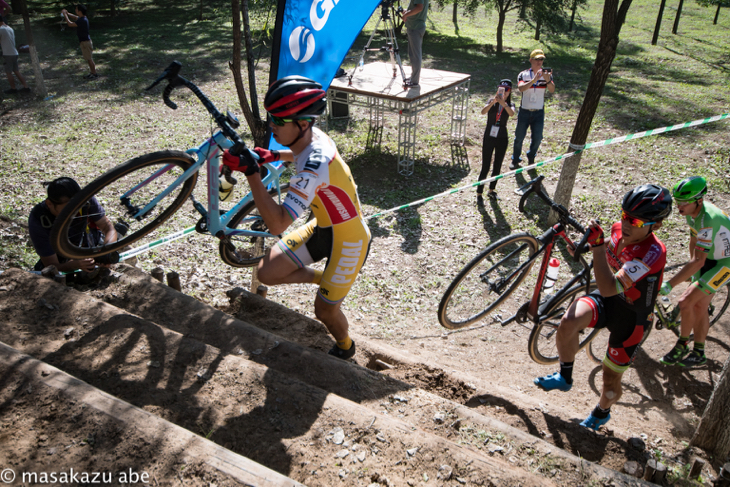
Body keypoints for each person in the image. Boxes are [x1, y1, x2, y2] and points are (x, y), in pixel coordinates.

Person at [222, 76, 372, 360]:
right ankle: (324, 279)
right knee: (266, 272)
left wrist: (253, 172)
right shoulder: (313, 137)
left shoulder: (314, 168)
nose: (272, 126)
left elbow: (278, 223)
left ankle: (346, 347)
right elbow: (300, 153)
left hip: (350, 239)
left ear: (303, 123)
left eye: (279, 120)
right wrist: (272, 155)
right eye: (271, 118)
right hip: (323, 227)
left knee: (324, 311)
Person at [534, 184, 671, 430]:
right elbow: (612, 241)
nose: (627, 224)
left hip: (632, 318)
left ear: (656, 225)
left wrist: (596, 249)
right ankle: (565, 376)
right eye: (625, 216)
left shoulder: (653, 253)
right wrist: (586, 247)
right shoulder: (621, 229)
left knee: (610, 380)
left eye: (637, 222)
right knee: (568, 322)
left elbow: (609, 286)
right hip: (609, 301)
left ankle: (602, 412)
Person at [659, 176, 730, 367]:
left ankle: (682, 345)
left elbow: (699, 261)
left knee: (685, 302)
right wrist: (692, 271)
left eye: (684, 202)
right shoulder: (694, 214)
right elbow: (694, 242)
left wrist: (670, 284)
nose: (679, 206)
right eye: (677, 201)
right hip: (710, 258)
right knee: (698, 306)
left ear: (699, 200)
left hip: (725, 264)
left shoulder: (708, 220)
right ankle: (699, 352)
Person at [29, 177, 117, 273]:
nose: (73, 213)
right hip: (61, 256)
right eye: (66, 209)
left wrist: (106, 252)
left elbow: (108, 228)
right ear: (49, 203)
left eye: (77, 208)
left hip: (88, 242)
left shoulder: (85, 201)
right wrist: (74, 265)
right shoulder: (39, 220)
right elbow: (51, 265)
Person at [509, 49, 555, 170]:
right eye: (537, 59)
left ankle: (531, 156)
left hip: (539, 112)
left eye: (542, 59)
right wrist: (534, 80)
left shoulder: (547, 75)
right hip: (524, 110)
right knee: (519, 137)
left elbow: (552, 90)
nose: (540, 62)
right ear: (531, 60)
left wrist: (547, 79)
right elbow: (521, 88)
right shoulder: (523, 74)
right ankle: (515, 159)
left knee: (538, 137)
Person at [477, 79, 515, 202]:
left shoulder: (510, 104)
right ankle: (479, 192)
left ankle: (491, 190)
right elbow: (483, 112)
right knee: (485, 165)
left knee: (497, 166)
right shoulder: (491, 101)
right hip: (489, 135)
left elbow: (511, 114)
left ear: (509, 92)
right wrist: (493, 101)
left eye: (506, 90)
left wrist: (504, 103)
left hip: (502, 137)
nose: (503, 93)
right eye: (501, 90)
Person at [61, 4, 97, 79]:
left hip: (86, 42)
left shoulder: (82, 20)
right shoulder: (82, 18)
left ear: (80, 11)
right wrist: (67, 13)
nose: (75, 10)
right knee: (88, 58)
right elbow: (74, 17)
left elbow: (70, 24)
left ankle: (94, 74)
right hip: (84, 42)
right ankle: (92, 73)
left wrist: (65, 15)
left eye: (76, 9)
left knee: (89, 59)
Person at [401, 0, 429, 88]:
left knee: (415, 55)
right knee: (413, 54)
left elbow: (419, 8)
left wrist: (405, 15)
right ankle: (413, 77)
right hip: (414, 27)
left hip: (415, 27)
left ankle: (414, 81)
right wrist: (407, 12)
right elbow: (416, 8)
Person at [0, 15, 30, 94]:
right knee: (16, 71)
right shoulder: (9, 28)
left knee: (8, 72)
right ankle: (26, 87)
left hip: (8, 54)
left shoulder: (1, 29)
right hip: (14, 52)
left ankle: (13, 89)